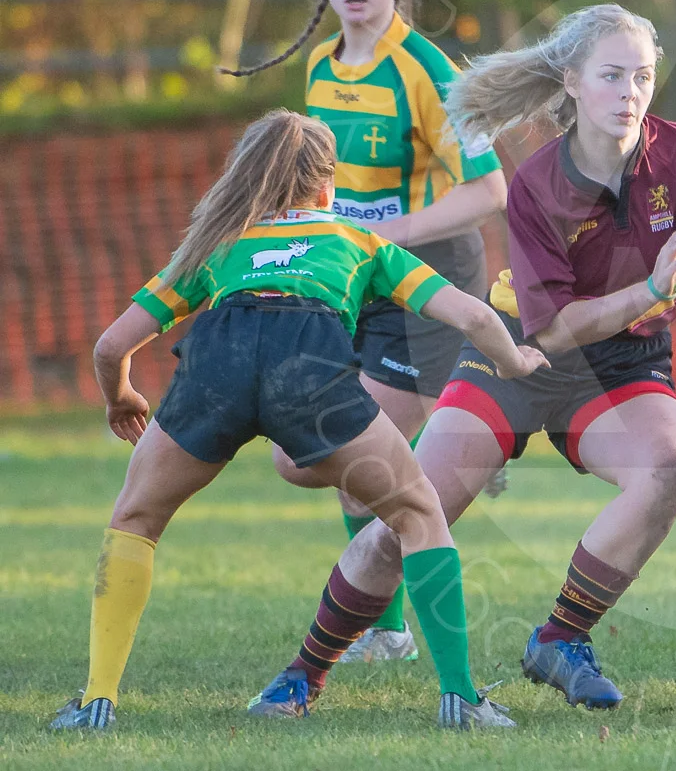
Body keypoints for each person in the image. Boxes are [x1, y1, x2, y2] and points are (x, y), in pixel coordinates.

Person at [247, 4, 676, 717]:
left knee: (668, 467)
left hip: (626, 360)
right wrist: (651, 287)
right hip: (517, 352)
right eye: (611, 76)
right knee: (410, 515)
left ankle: (561, 639)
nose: (630, 91)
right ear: (571, 82)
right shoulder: (539, 183)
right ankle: (305, 671)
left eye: (642, 76)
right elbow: (558, 328)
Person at [50, 110, 546, 732]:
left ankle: (97, 702)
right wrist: (516, 360)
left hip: (218, 366)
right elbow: (473, 318)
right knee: (418, 515)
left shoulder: (216, 244)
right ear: (326, 185)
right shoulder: (359, 241)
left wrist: (119, 397)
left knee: (135, 518)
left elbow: (109, 346)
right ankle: (460, 700)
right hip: (309, 371)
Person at [222, 0, 509, 662]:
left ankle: (463, 455)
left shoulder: (428, 69)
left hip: (425, 290)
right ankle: (383, 630)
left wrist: (384, 235)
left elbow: (490, 192)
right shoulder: (318, 68)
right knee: (327, 463)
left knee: (331, 454)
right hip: (349, 286)